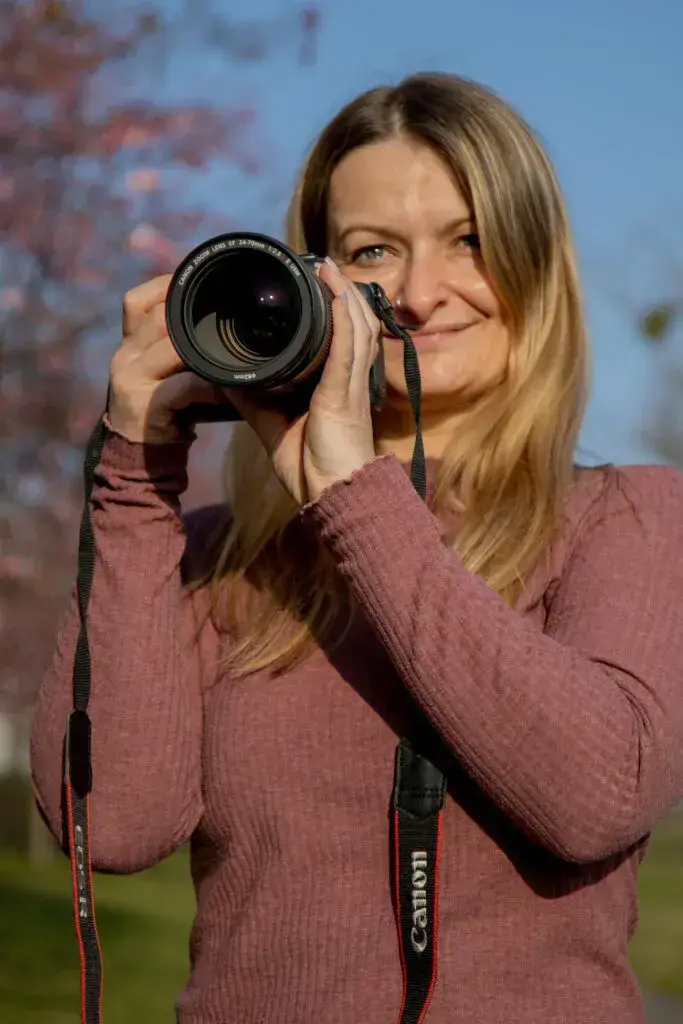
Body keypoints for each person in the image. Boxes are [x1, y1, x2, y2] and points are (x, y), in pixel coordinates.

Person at [30, 72, 683, 1024]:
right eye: (373, 250)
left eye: (471, 240)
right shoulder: (223, 557)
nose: (420, 295)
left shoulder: (625, 517)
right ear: (313, 283)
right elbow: (112, 829)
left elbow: (595, 796)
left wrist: (352, 496)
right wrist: (135, 476)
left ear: (540, 264)